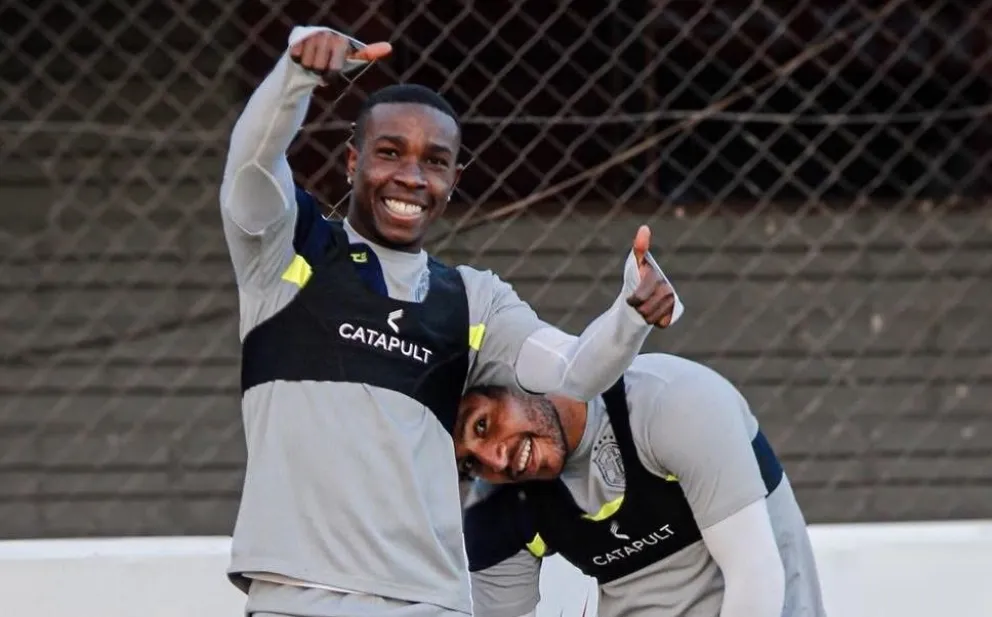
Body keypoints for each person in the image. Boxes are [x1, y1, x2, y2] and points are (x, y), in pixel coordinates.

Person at [219, 24, 683, 617]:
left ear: (453, 181)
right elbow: (250, 171)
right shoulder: (288, 251)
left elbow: (576, 372)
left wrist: (629, 315)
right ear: (353, 161)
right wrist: (296, 75)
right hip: (295, 595)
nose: (412, 177)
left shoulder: (473, 299)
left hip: (428, 601)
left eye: (434, 162)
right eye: (390, 153)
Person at [459, 353, 827, 617]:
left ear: (513, 375)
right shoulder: (494, 510)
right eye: (468, 463)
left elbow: (756, 576)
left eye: (483, 424)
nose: (495, 459)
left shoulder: (670, 401)